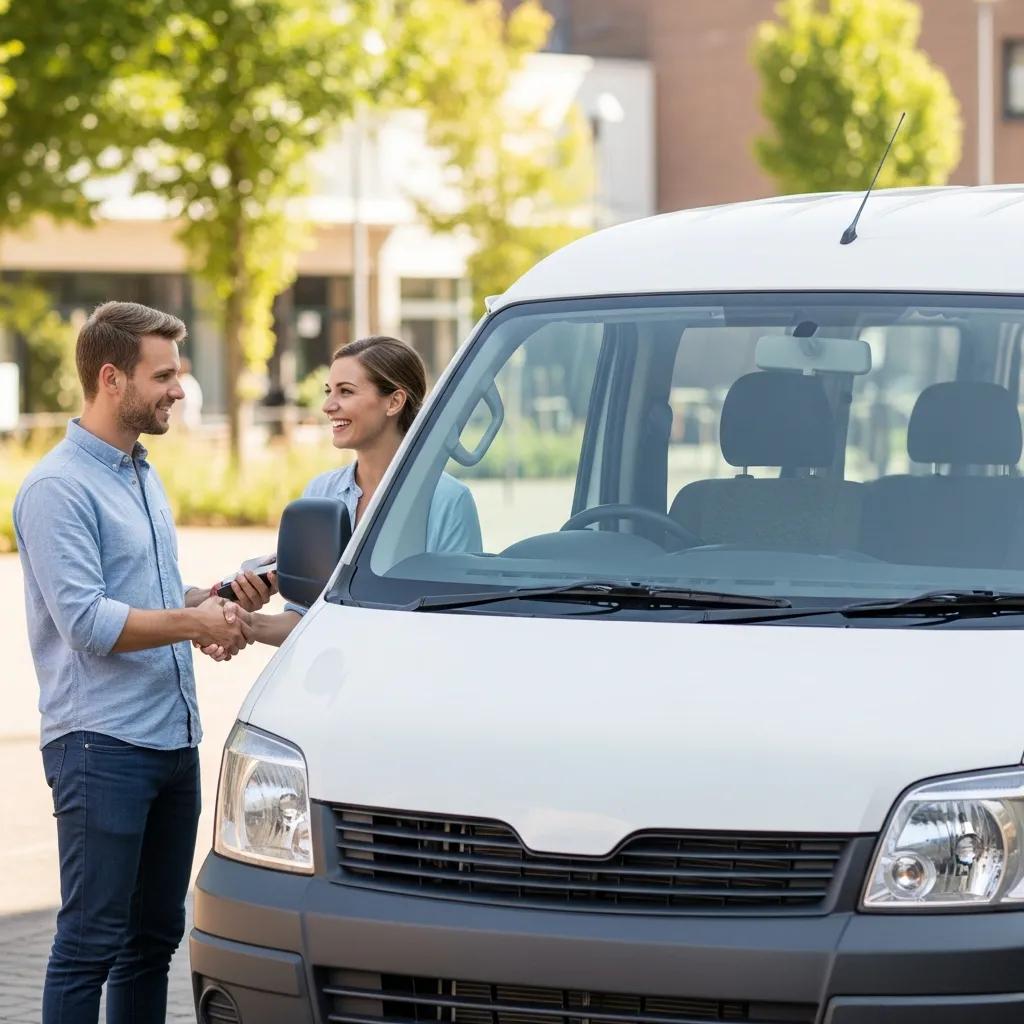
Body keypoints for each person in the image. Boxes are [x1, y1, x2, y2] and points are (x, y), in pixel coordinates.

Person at [12, 301, 273, 1024]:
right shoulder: (57, 487)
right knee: (89, 942)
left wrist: (215, 601)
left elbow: (149, 596)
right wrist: (192, 621)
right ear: (110, 379)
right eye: (164, 376)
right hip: (101, 748)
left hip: (169, 740)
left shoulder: (139, 472)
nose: (179, 391)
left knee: (152, 940)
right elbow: (89, 622)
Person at [215, 335, 481, 651]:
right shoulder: (319, 494)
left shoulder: (449, 502)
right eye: (329, 391)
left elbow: (457, 625)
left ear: (394, 402)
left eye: (346, 392)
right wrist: (242, 622)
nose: (328, 406)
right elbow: (306, 617)